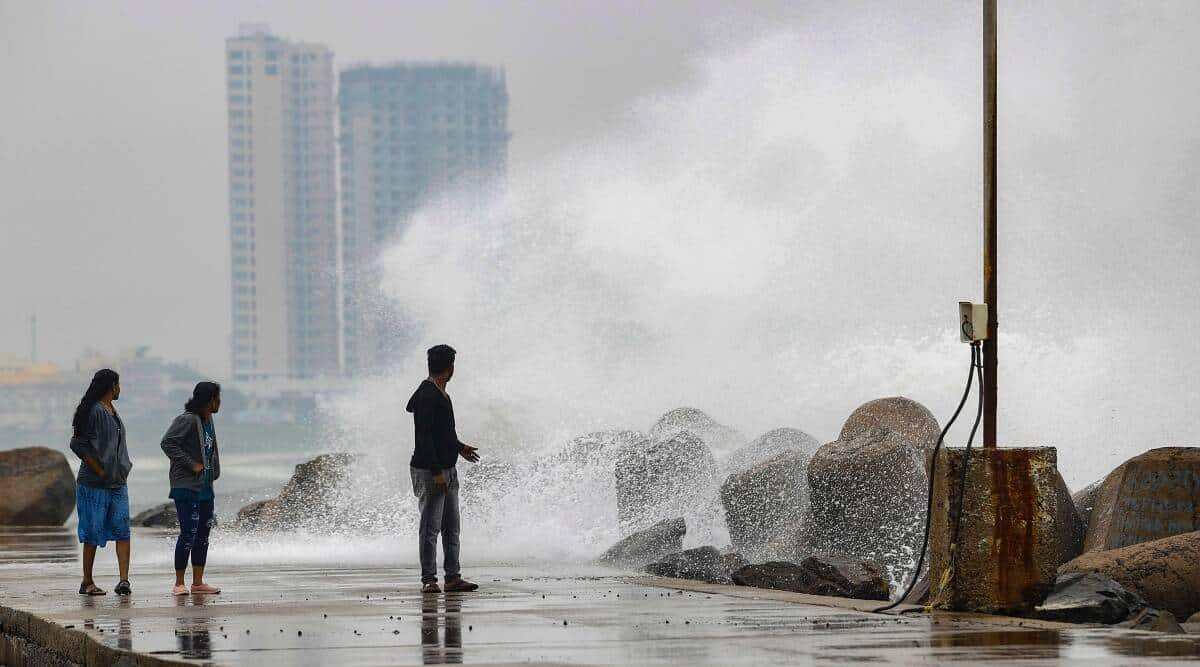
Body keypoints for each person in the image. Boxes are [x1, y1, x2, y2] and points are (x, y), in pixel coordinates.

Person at [407, 344, 481, 593]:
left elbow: (442, 433)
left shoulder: (440, 392)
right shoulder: (428, 394)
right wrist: (437, 471)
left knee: (451, 527)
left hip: (448, 468)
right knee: (430, 528)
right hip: (431, 471)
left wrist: (459, 447)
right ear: (450, 368)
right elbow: (424, 436)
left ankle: (453, 577)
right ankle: (429, 580)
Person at [68, 368, 133, 596]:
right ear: (111, 386)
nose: (120, 389)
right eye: (118, 384)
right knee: (92, 532)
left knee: (123, 529)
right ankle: (87, 581)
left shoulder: (113, 411)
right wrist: (98, 469)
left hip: (117, 483)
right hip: (93, 484)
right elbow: (77, 444)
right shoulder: (94, 411)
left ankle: (124, 580)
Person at [160, 381, 223, 596]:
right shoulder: (187, 420)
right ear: (209, 400)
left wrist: (213, 470)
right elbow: (167, 443)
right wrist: (191, 464)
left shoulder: (209, 419)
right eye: (217, 398)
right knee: (188, 533)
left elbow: (211, 448)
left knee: (203, 534)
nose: (219, 402)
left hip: (205, 487)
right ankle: (179, 583)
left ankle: (198, 583)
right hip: (186, 486)